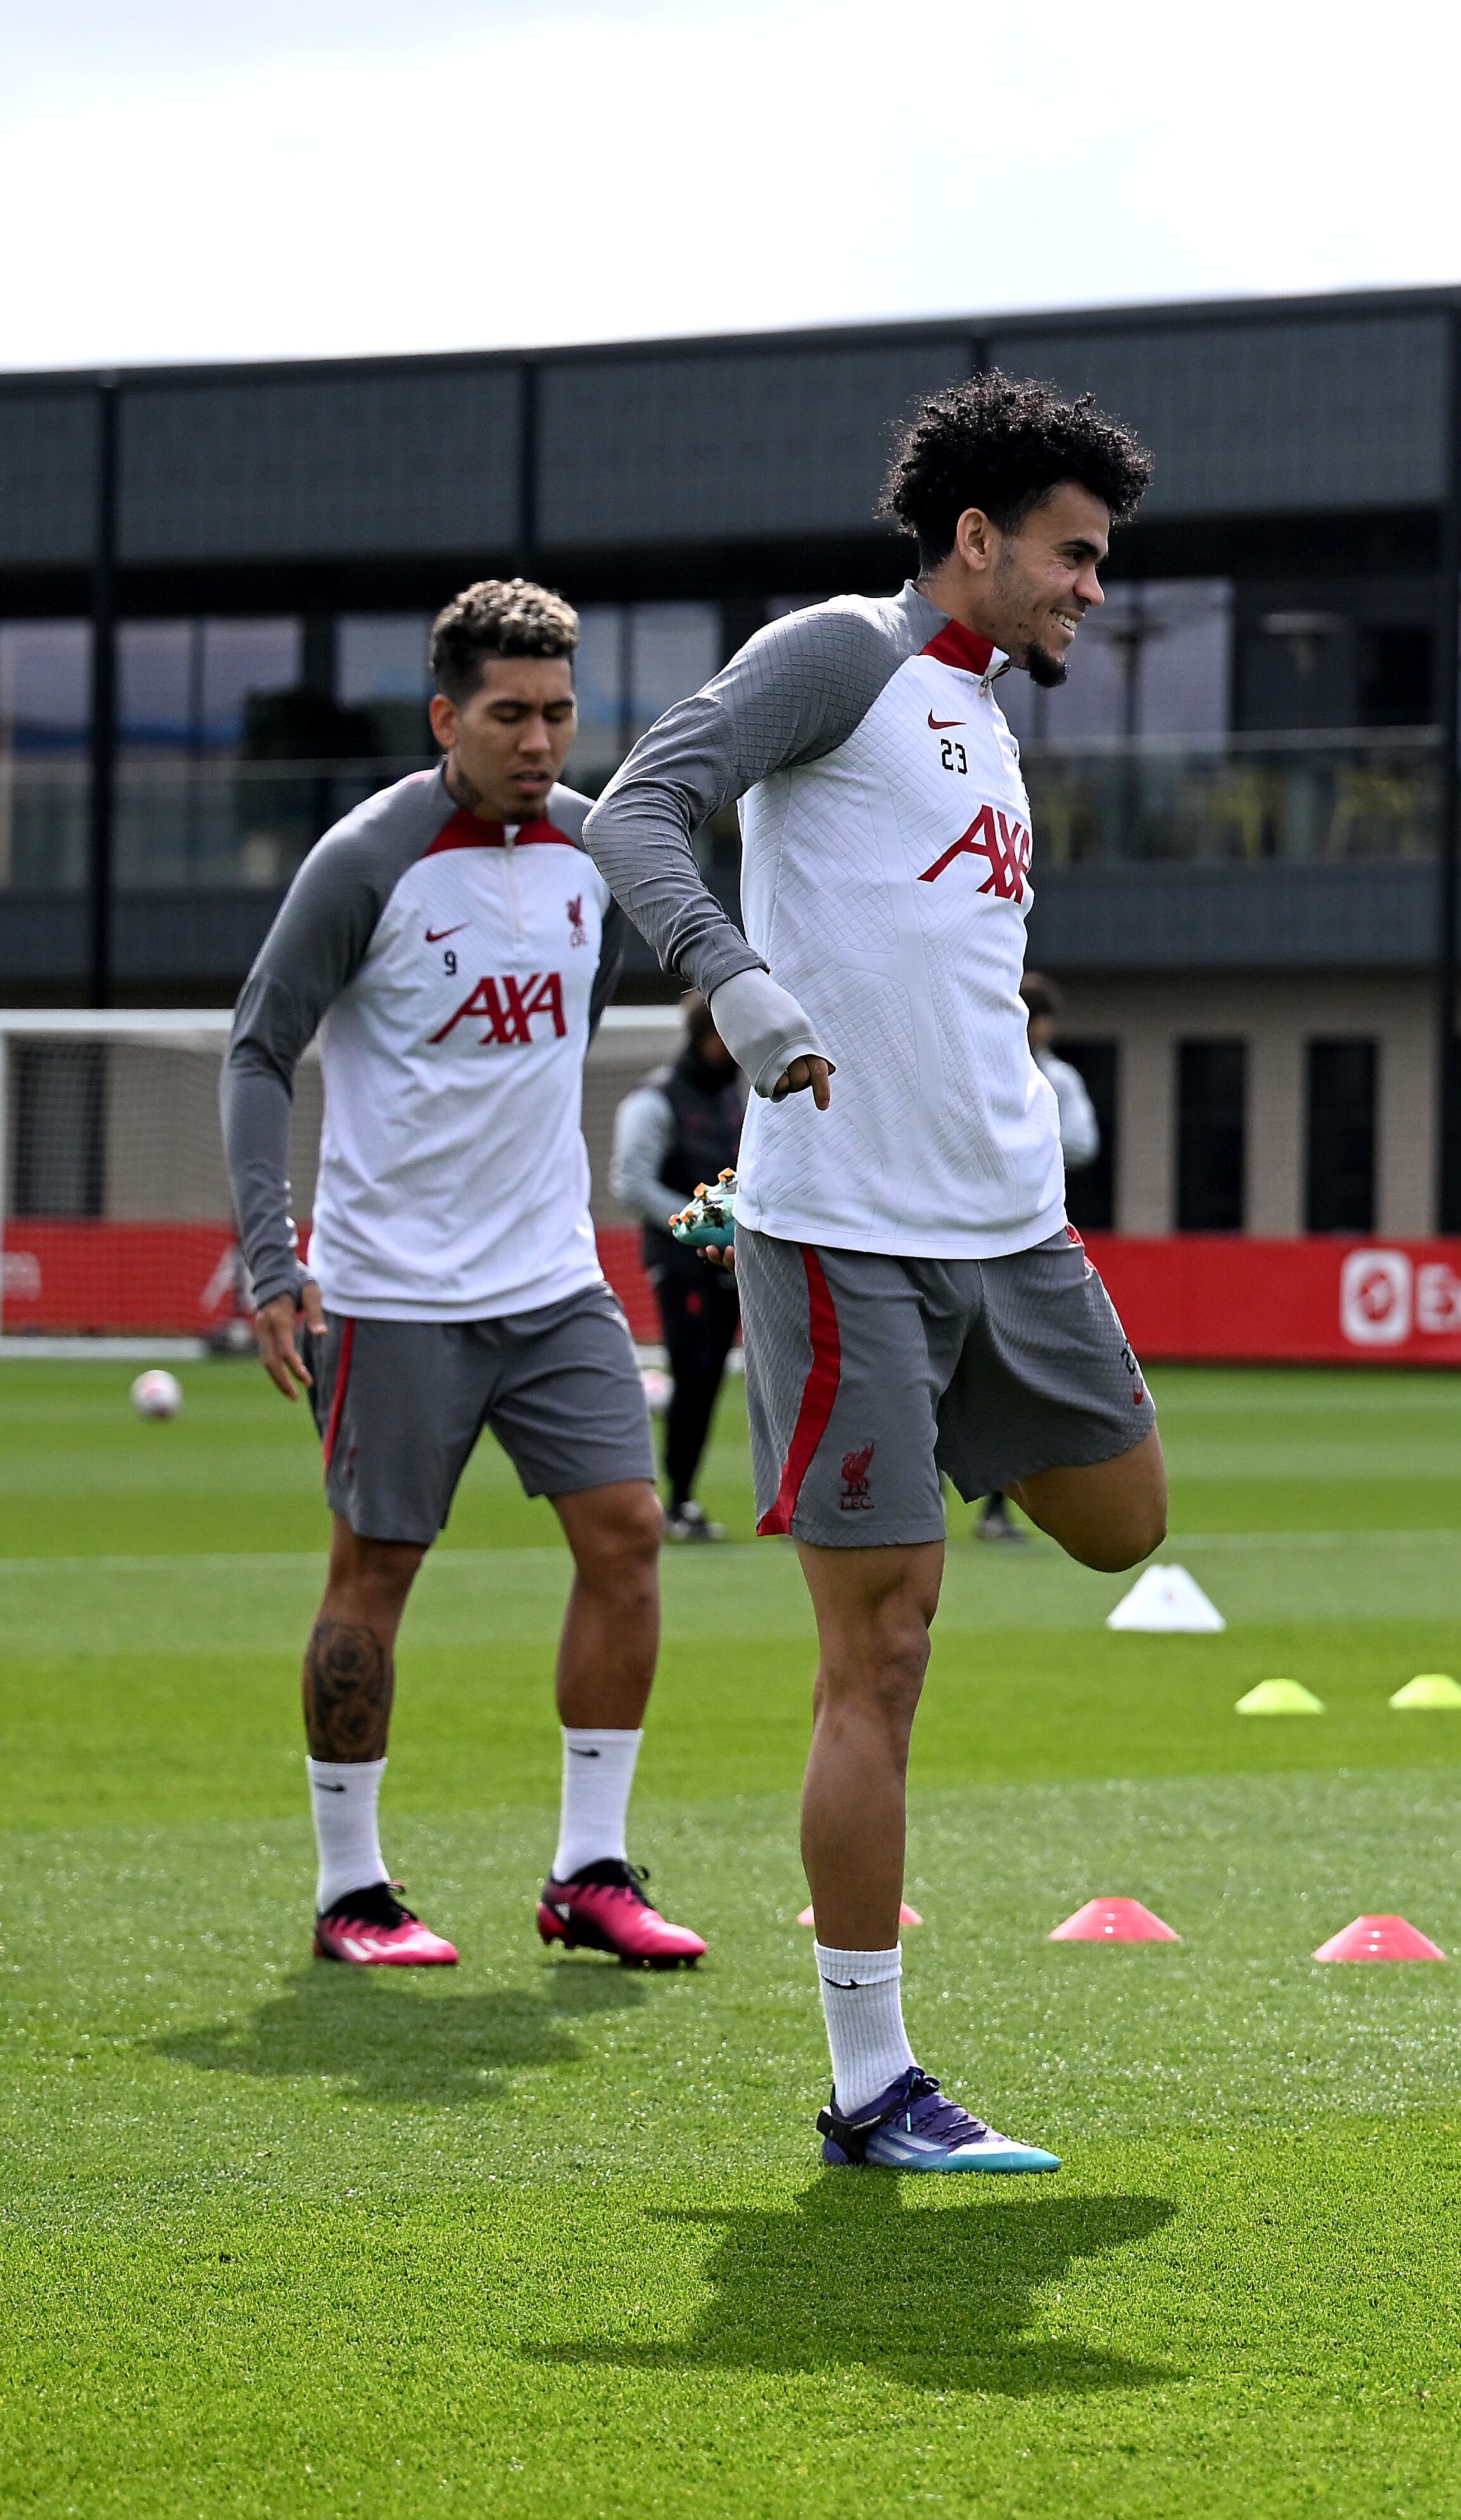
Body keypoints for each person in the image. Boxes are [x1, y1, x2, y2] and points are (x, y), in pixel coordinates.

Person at [586, 374, 1167, 2173]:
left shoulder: (985, 712)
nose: (1094, 589)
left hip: (1016, 1229)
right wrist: (738, 984)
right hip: (846, 1238)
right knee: (886, 1648)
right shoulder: (840, 652)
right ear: (976, 538)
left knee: (1126, 1519)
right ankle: (871, 2086)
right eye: (1074, 555)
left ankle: (914, 1457)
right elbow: (635, 813)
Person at [223, 580, 707, 1972]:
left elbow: (567, 1035)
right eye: (509, 714)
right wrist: (272, 1260)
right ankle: (352, 1890)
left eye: (559, 713)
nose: (540, 741)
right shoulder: (365, 859)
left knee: (627, 1536)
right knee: (375, 1569)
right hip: (392, 1292)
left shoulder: (593, 852)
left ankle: (589, 1871)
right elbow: (259, 1049)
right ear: (446, 717)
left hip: (554, 1282)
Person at [610, 992, 749, 1539]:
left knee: (711, 1378)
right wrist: (701, 1221)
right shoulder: (655, 1101)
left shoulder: (736, 1095)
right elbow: (631, 1182)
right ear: (706, 1037)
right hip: (680, 1263)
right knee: (690, 1375)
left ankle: (684, 1501)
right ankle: (675, 1500)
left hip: (731, 1262)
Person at [975, 970, 1101, 1542]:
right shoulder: (977, 1065)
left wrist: (1018, 1146)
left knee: (1014, 1371)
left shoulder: (1057, 1080)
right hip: (965, 1232)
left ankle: (998, 1509)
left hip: (1028, 1234)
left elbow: (1083, 1143)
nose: (1038, 1029)